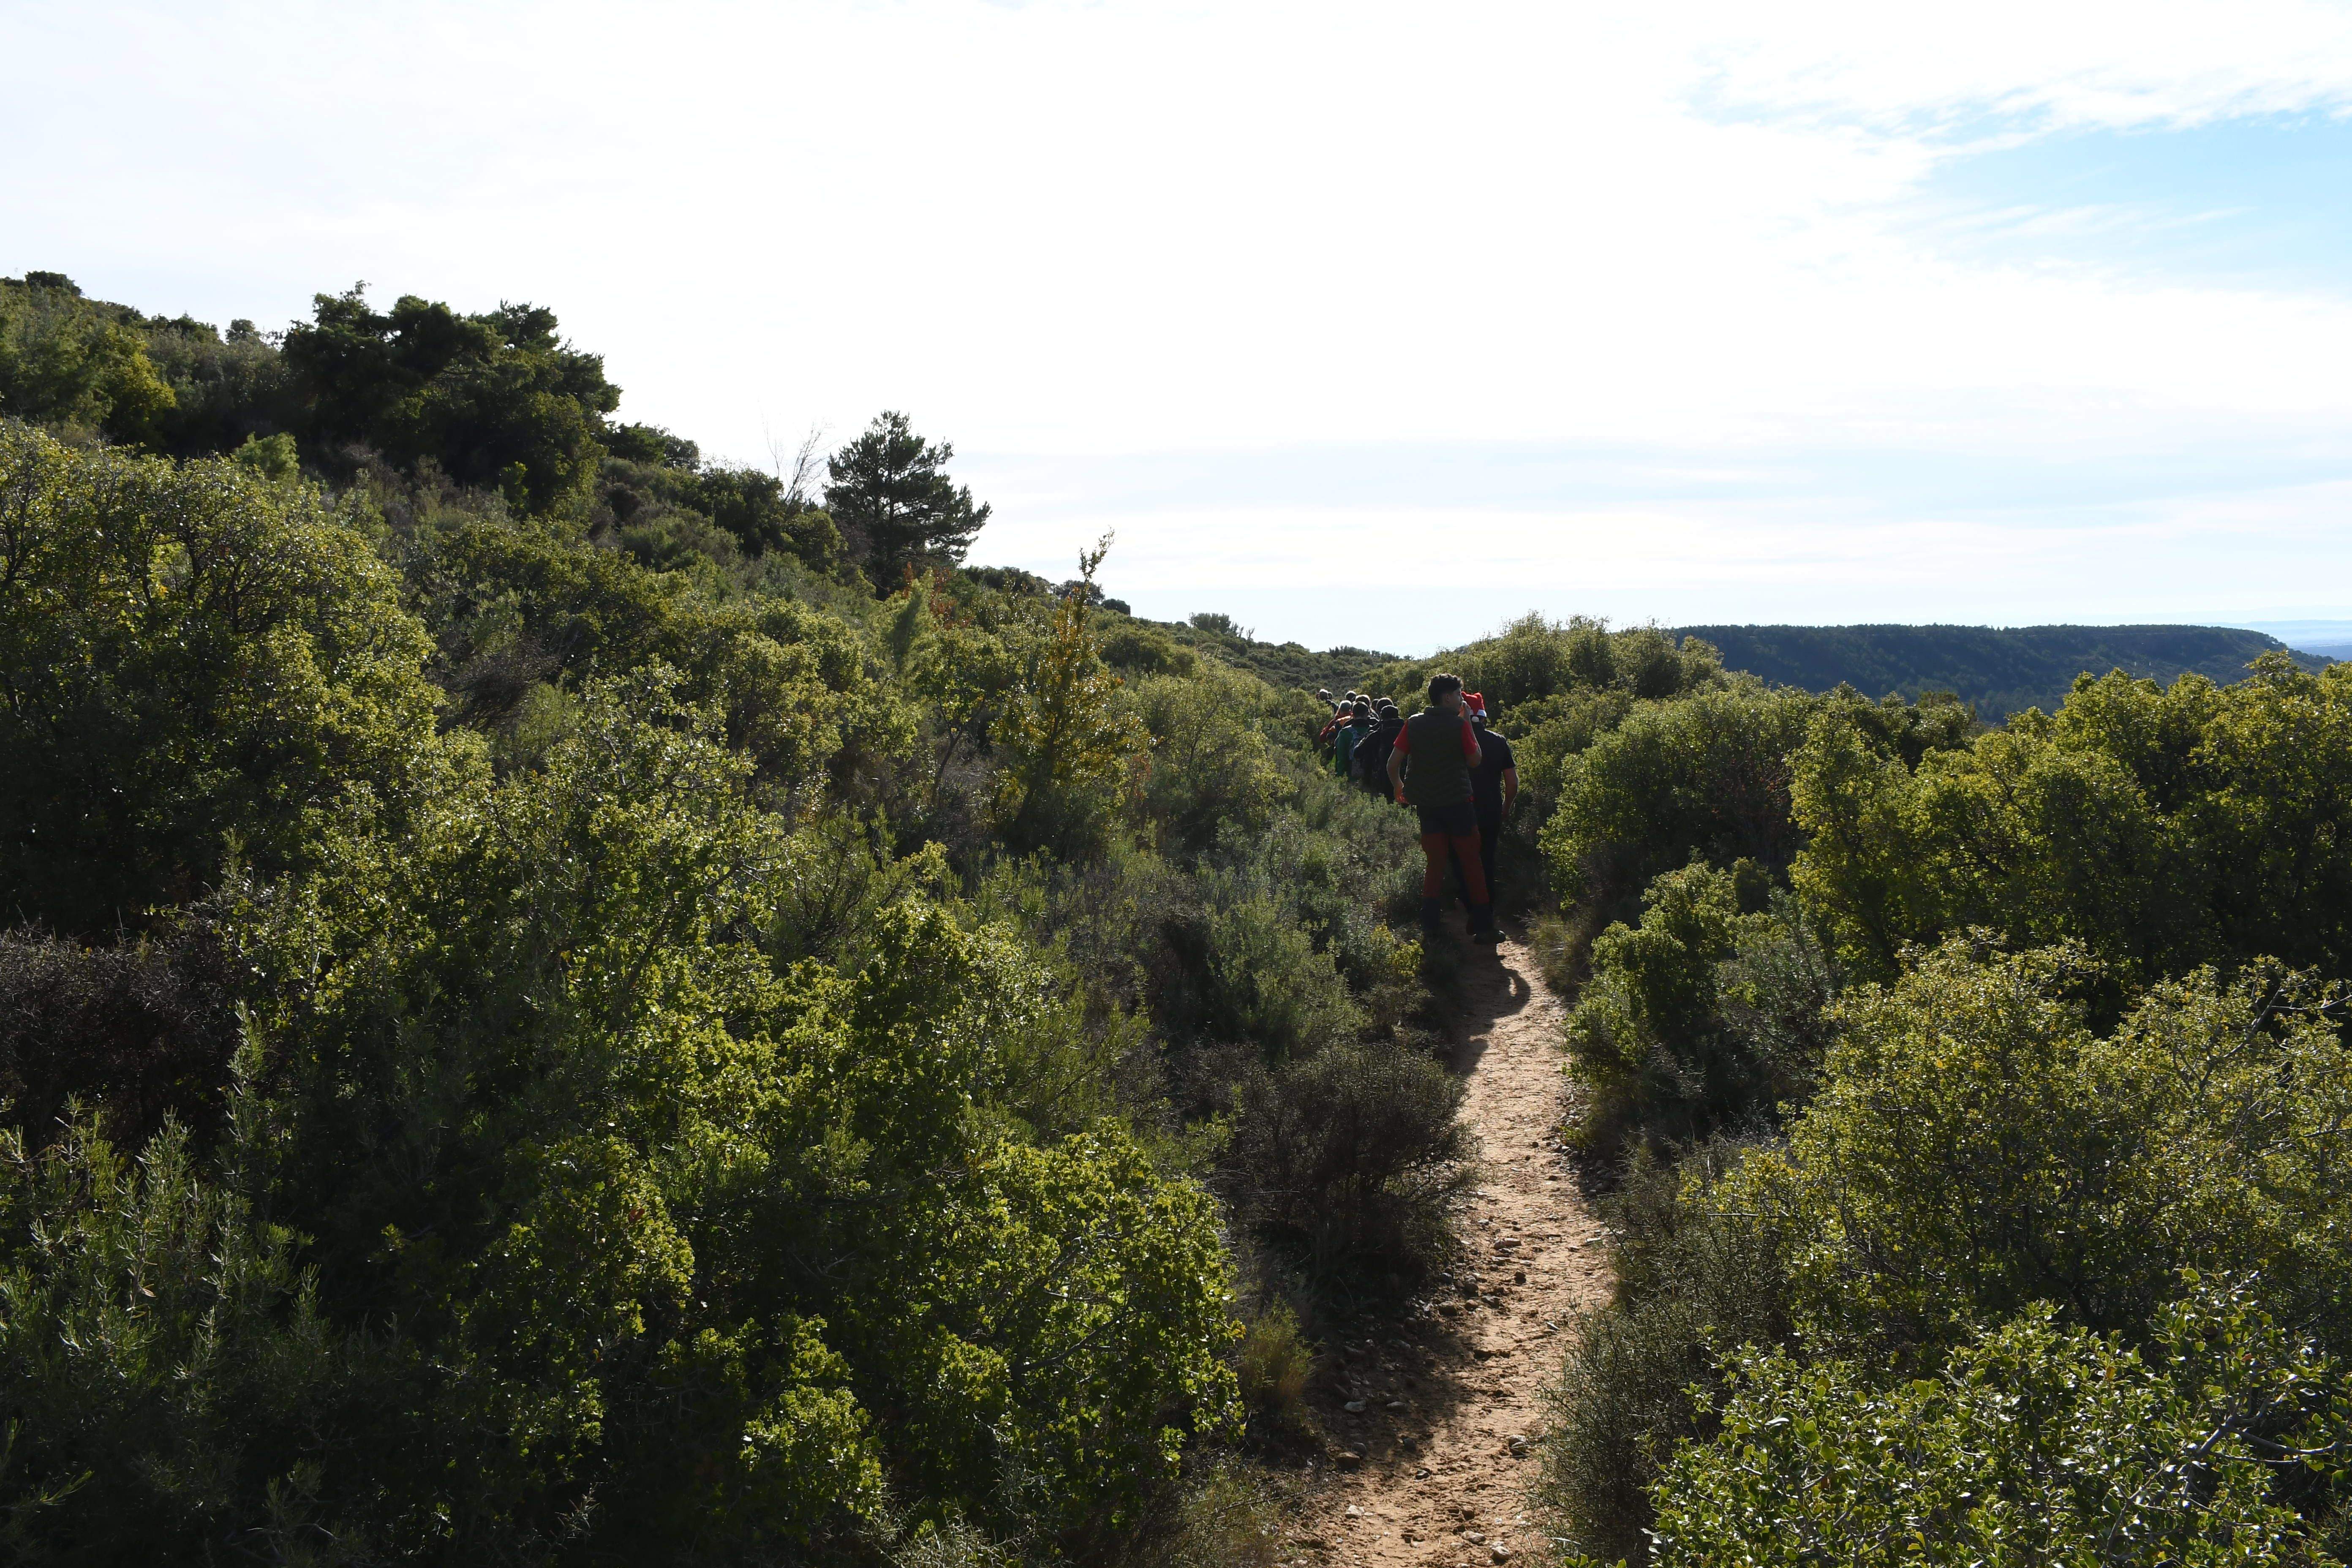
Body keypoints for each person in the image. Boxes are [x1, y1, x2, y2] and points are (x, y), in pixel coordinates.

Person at [1387, 673, 1495, 941]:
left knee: (1435, 863)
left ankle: (1431, 925)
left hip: (1428, 807)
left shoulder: (1413, 723)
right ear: (1447, 697)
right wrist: (1467, 724)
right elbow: (1475, 761)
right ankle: (1483, 926)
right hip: (1459, 806)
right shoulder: (1458, 726)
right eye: (1459, 694)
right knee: (1472, 862)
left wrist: (1399, 787)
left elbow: (1392, 765)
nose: (1461, 699)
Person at [1466, 694, 1517, 903]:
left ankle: (1466, 905)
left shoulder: (1453, 742)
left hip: (1461, 811)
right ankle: (1488, 908)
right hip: (1491, 810)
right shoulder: (1499, 742)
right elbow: (1512, 782)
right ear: (1483, 717)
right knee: (1486, 859)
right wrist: (1506, 806)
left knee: (1462, 860)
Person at [1332, 698, 1373, 780]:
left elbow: (1341, 757)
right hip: (1370, 777)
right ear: (1368, 714)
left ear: (1352, 715)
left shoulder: (1345, 732)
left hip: (1350, 776)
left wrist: (1340, 777)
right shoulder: (1373, 732)